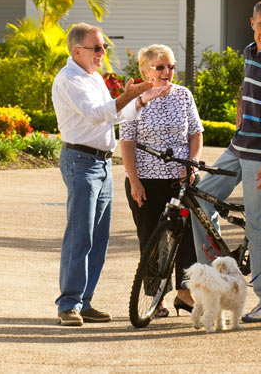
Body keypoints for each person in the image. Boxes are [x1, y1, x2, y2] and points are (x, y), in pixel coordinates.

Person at [190, 0, 261, 323]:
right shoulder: (249, 52)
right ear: (251, 22)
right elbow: (246, 86)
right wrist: (241, 108)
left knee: (258, 226)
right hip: (239, 148)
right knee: (199, 205)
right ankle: (217, 281)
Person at [52, 23, 171, 327]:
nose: (102, 52)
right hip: (81, 160)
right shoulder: (69, 80)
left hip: (102, 163)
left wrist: (140, 99)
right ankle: (68, 304)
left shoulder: (93, 77)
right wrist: (128, 96)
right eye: (97, 48)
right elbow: (96, 114)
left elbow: (115, 115)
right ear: (77, 50)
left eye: (103, 46)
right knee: (80, 235)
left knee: (98, 237)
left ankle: (85, 301)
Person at [119, 44, 203, 317]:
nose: (167, 72)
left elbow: (196, 134)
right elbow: (127, 143)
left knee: (187, 236)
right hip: (146, 179)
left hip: (181, 179)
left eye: (171, 66)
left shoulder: (183, 95)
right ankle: (157, 297)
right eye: (160, 67)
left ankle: (185, 292)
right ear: (145, 71)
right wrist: (134, 181)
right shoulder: (134, 102)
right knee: (151, 238)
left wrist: (191, 165)